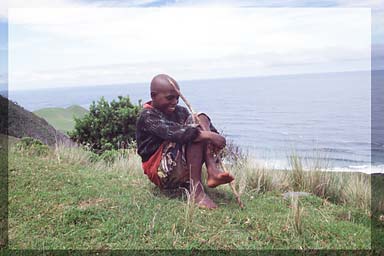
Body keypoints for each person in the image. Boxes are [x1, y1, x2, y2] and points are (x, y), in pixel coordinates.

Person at [136, 74, 234, 209]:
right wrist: (209, 136)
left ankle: (212, 169)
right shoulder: (147, 117)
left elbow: (201, 128)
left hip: (179, 166)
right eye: (170, 98)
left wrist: (211, 134)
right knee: (193, 133)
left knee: (200, 118)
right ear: (153, 96)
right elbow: (176, 133)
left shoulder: (180, 111)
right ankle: (196, 191)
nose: (175, 102)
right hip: (160, 171)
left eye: (177, 98)